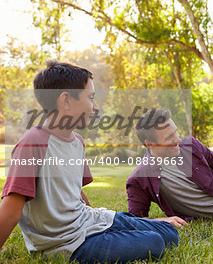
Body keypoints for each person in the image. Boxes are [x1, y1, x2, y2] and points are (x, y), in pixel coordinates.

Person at [0, 60, 179, 263]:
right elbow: (11, 210)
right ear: (65, 101)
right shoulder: (33, 142)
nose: (95, 107)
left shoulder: (77, 141)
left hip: (88, 221)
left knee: (169, 233)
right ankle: (127, 228)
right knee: (155, 242)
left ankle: (129, 225)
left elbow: (74, 190)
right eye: (91, 98)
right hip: (66, 242)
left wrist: (99, 223)